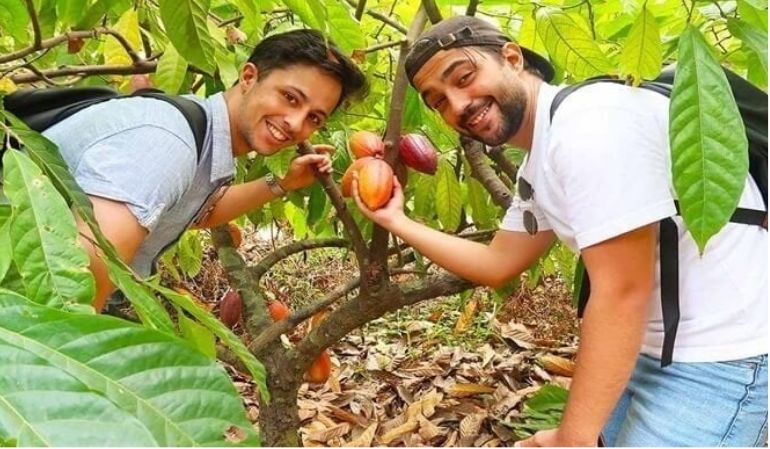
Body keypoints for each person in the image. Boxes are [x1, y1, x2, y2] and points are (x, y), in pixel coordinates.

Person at [352, 16, 768, 447]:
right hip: (653, 351)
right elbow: (497, 263)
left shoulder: (587, 127)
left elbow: (622, 291)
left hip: (721, 357)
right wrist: (397, 221)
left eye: (465, 77)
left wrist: (572, 438)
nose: (458, 105)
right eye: (439, 101)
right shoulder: (545, 151)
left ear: (513, 58)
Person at [40, 29, 367, 312]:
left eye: (314, 118)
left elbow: (196, 211)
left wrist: (281, 183)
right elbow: (86, 266)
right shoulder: (170, 143)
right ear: (248, 77)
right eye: (290, 98)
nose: (296, 123)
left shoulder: (202, 133)